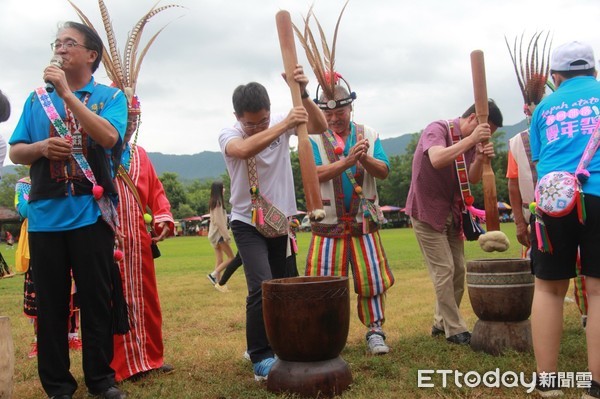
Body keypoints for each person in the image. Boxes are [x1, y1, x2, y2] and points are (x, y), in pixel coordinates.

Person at [9, 21, 127, 399]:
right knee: (52, 306)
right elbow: (16, 151)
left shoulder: (110, 97)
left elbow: (109, 137)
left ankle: (101, 381)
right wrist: (42, 148)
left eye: (69, 43)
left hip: (91, 215)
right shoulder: (35, 100)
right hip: (44, 218)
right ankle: (58, 386)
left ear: (91, 55)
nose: (60, 49)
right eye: (57, 43)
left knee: (95, 300)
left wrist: (66, 92)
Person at [67, 1, 179, 383]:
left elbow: (156, 194)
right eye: (123, 119)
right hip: (105, 238)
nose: (128, 125)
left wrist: (162, 215)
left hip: (139, 243)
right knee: (107, 299)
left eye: (133, 120)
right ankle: (116, 365)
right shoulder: (90, 154)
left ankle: (150, 356)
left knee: (147, 300)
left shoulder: (141, 156)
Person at [218, 66, 328, 381]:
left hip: (280, 221)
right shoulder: (231, 134)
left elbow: (319, 126)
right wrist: (281, 125)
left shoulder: (281, 117)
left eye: (263, 120)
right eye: (250, 123)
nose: (256, 128)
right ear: (237, 116)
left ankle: (278, 344)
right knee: (262, 287)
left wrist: (303, 94)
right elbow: (243, 150)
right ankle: (260, 357)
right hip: (246, 222)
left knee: (281, 288)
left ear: (268, 110)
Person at [529, 41, 600, 398]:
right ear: (594, 71)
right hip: (599, 195)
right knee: (599, 289)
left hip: (554, 200)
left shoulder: (543, 107)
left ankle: (547, 382)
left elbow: (540, 157)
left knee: (548, 288)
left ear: (556, 77)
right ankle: (596, 386)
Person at [305, 80, 395, 355]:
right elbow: (313, 175)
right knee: (323, 285)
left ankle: (375, 331)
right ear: (319, 112)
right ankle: (325, 333)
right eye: (328, 114)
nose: (334, 119)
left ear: (350, 108)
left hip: (363, 223)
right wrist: (346, 162)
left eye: (339, 113)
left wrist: (363, 158)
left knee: (372, 280)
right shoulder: (310, 138)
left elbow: (383, 170)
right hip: (327, 224)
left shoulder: (368, 133)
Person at [405, 100, 503, 345]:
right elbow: (437, 159)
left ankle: (441, 322)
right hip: (426, 211)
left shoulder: (471, 141)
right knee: (444, 269)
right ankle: (455, 328)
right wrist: (471, 141)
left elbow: (472, 179)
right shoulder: (436, 129)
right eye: (484, 131)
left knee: (459, 268)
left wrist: (479, 157)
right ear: (472, 119)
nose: (484, 137)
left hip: (453, 211)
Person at [15, 177, 83, 359]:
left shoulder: (65, 176)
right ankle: (40, 340)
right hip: (37, 242)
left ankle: (73, 336)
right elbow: (22, 208)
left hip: (67, 237)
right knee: (40, 294)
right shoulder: (24, 183)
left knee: (73, 293)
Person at [207, 181, 235, 288]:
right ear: (218, 190)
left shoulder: (213, 202)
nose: (224, 189)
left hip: (214, 235)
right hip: (219, 235)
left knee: (219, 259)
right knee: (231, 257)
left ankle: (218, 282)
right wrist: (226, 235)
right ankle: (213, 275)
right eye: (223, 188)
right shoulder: (218, 203)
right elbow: (220, 222)